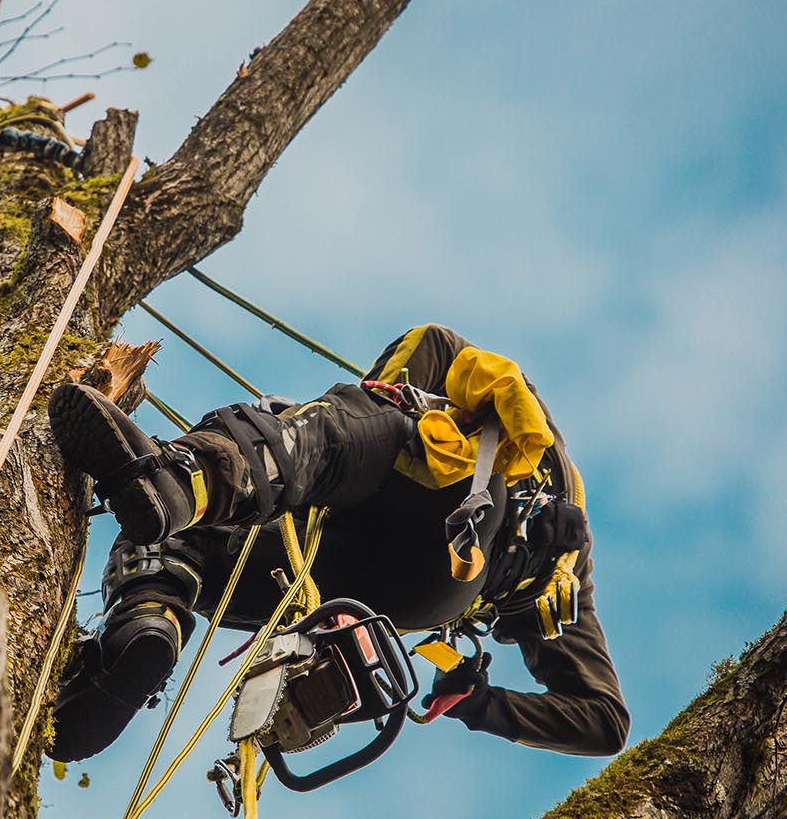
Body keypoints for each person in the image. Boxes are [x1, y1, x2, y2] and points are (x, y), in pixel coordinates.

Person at [46, 324, 629, 762]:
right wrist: (478, 703)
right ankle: (146, 633)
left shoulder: (447, 363)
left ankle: (188, 481)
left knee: (338, 428)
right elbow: (604, 721)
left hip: (450, 521)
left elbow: (383, 391)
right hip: (395, 593)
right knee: (173, 535)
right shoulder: (567, 578)